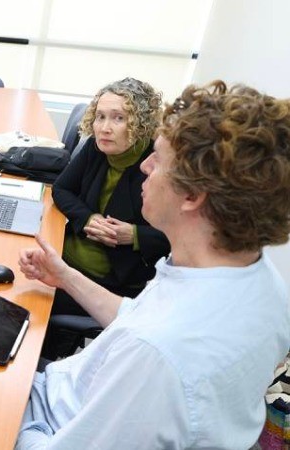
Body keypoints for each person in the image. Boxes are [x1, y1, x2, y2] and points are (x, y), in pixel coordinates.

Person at [16, 81, 290, 449]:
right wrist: (65, 276)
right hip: (67, 390)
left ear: (192, 196)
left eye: (157, 159)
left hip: (46, 423)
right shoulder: (257, 281)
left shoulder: (158, 356)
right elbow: (136, 319)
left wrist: (10, 417)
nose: (144, 166)